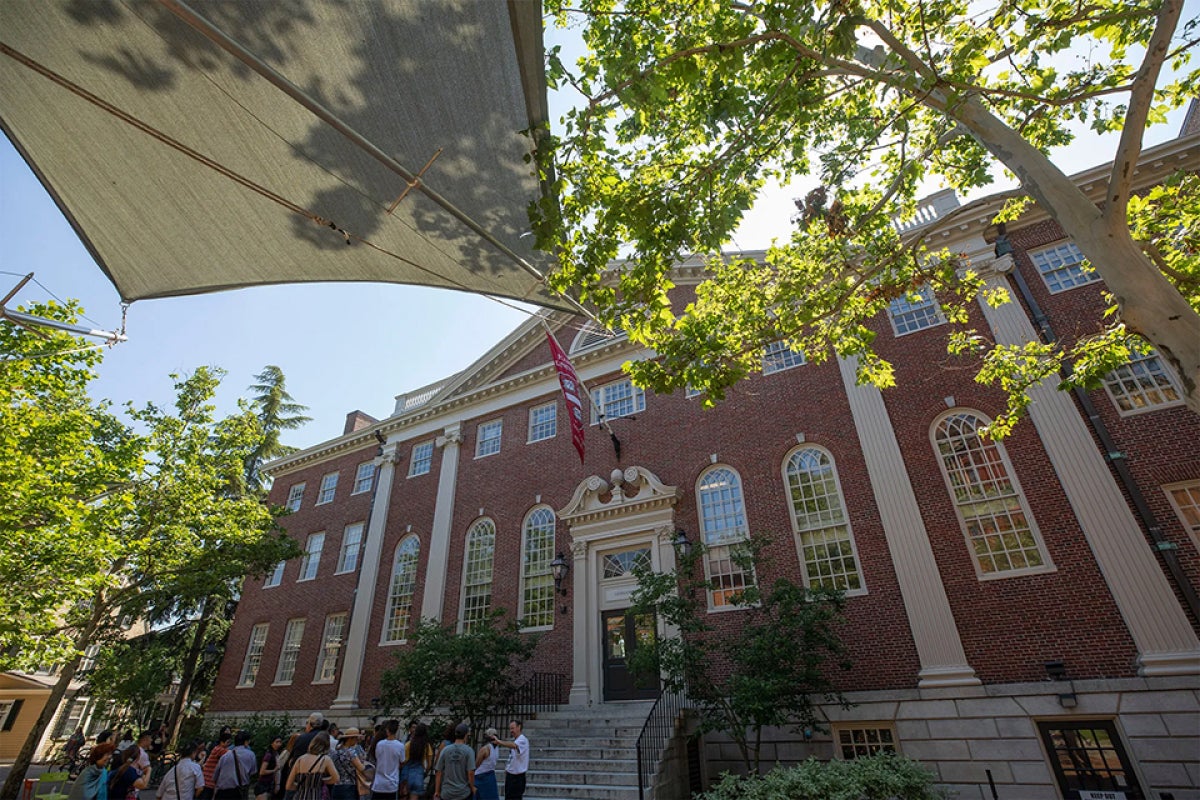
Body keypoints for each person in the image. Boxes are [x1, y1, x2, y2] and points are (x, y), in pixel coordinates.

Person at [285, 733, 339, 800]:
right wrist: (320, 781)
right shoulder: (325, 759)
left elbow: (288, 786)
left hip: (300, 796)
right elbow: (336, 779)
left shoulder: (300, 759)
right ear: (327, 746)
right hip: (316, 796)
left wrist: (303, 786)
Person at [431, 723, 473, 800]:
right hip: (463, 792)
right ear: (465, 735)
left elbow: (438, 771)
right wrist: (473, 787)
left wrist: (437, 791)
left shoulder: (445, 749)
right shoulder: (469, 751)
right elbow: (470, 772)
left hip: (447, 791)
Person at [213, 731, 257, 800]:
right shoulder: (251, 755)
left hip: (222, 792)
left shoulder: (225, 756)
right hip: (239, 792)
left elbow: (215, 775)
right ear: (246, 742)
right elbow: (253, 772)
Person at [491, 721, 528, 800]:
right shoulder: (516, 740)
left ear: (519, 727)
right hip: (511, 776)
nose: (511, 731)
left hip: (517, 778)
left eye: (513, 728)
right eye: (510, 729)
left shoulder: (522, 740)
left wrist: (499, 742)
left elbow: (514, 746)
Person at [368, 720, 402, 800]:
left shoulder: (377, 744)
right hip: (391, 783)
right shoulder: (399, 745)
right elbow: (402, 761)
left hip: (377, 783)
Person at [329, 729, 367, 800]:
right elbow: (361, 768)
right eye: (356, 738)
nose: (357, 741)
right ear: (350, 739)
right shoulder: (351, 752)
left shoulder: (336, 752)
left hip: (336, 786)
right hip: (349, 786)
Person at [399, 724, 431, 800]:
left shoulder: (408, 744)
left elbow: (403, 761)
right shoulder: (427, 746)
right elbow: (429, 765)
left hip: (406, 775)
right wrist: (425, 773)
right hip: (418, 775)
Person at [199, 730, 232, 800]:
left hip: (209, 779)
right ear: (222, 742)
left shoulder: (217, 748)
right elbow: (232, 754)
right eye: (228, 742)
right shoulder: (219, 749)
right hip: (208, 780)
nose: (229, 745)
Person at [472, 729, 499, 800]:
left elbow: (476, 764)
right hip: (491, 775)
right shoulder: (496, 749)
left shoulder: (485, 749)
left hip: (480, 776)